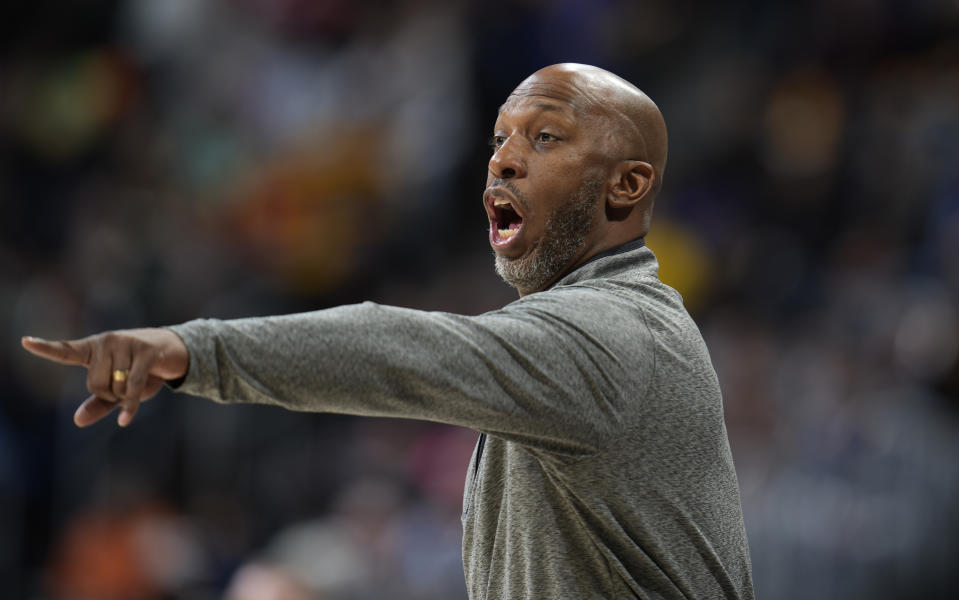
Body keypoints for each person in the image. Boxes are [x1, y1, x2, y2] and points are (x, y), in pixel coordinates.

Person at [22, 63, 754, 599]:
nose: (502, 158)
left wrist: (193, 350)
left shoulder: (615, 336)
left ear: (626, 185)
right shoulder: (587, 331)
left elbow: (402, 350)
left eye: (546, 137)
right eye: (500, 138)